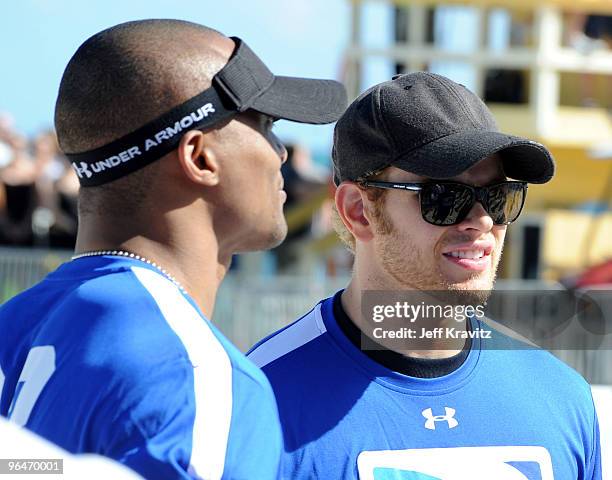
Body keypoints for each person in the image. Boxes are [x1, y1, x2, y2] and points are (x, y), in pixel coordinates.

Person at [0, 19, 346, 479]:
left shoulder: (15, 322)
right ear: (200, 157)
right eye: (265, 122)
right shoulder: (196, 377)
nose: (281, 151)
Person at [248, 72, 602, 479]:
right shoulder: (257, 401)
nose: (482, 221)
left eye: (498, 196)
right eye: (444, 197)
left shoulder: (561, 399)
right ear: (358, 211)